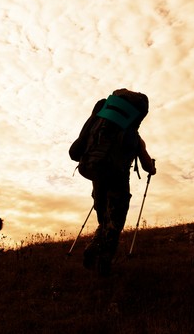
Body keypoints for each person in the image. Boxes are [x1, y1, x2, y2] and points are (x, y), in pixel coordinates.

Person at [78, 89, 156, 277]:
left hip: (96, 177)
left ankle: (94, 247)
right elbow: (147, 166)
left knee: (103, 218)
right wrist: (152, 168)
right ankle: (104, 262)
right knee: (115, 222)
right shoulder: (133, 137)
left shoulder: (98, 131)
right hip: (118, 180)